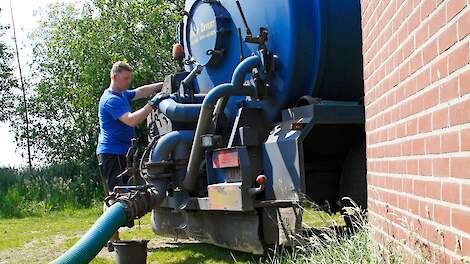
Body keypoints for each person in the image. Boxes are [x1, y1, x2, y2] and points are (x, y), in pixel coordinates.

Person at [96, 61, 163, 251]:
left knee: (121, 194)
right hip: (111, 153)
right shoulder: (111, 100)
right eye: (125, 79)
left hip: (122, 152)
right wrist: (153, 104)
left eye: (129, 79)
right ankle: (111, 240)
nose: (128, 82)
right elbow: (131, 120)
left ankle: (112, 238)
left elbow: (140, 91)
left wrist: (162, 84)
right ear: (114, 77)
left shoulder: (122, 94)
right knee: (113, 196)